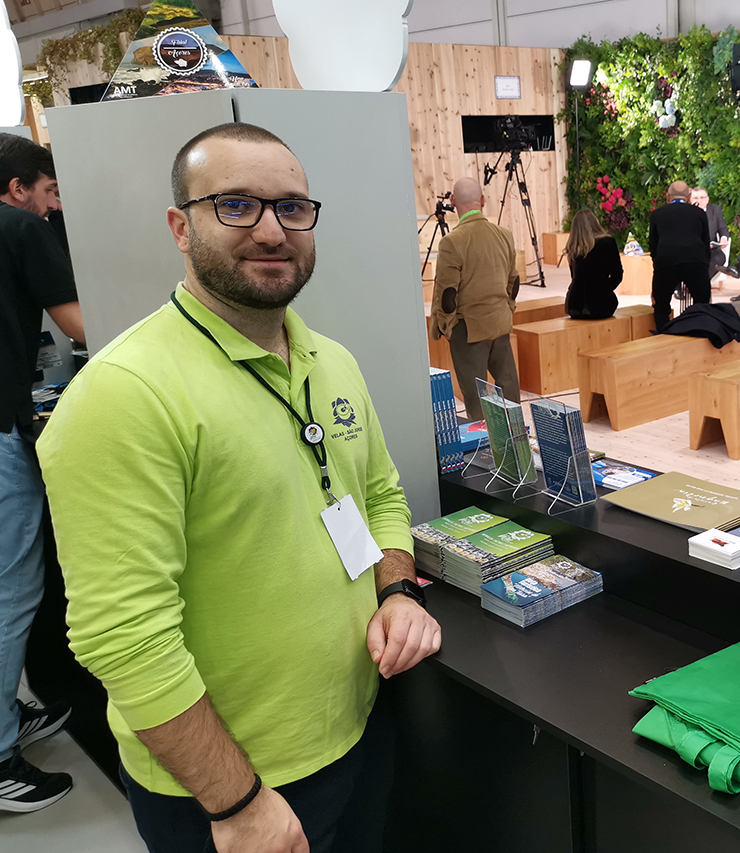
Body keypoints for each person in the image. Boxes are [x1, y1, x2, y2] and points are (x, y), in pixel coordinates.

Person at [38, 122, 442, 852]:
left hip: (355, 729)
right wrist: (239, 802)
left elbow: (378, 496)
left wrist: (398, 590)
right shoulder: (123, 394)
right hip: (228, 790)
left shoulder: (331, 360)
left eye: (291, 207)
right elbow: (124, 635)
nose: (271, 230)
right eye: (235, 205)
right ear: (180, 227)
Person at [0, 133, 81, 814]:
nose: (54, 206)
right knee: (12, 589)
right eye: (50, 191)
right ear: (18, 187)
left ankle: (7, 711)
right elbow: (78, 323)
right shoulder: (21, 229)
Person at [430, 176, 521, 420]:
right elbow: (513, 282)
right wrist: (507, 309)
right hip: (500, 322)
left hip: (468, 330)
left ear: (452, 201)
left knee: (476, 399)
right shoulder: (504, 235)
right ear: (483, 200)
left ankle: (483, 442)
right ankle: (516, 435)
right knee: (509, 388)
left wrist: (446, 327)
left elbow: (447, 293)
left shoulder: (452, 241)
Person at [647, 180, 711, 329]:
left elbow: (653, 245)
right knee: (702, 304)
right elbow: (705, 243)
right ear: (688, 198)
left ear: (667, 197)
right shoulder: (699, 213)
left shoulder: (657, 214)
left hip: (666, 262)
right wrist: (704, 268)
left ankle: (664, 335)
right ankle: (699, 333)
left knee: (661, 306)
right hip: (696, 261)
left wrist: (658, 266)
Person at [563, 209, 622, 320]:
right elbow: (617, 275)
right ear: (595, 223)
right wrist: (605, 288)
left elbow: (574, 277)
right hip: (601, 305)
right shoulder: (608, 243)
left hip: (574, 306)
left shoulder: (574, 248)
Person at [690, 186, 730, 279]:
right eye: (695, 198)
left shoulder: (715, 210)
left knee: (720, 257)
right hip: (692, 249)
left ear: (707, 199)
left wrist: (723, 238)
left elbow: (722, 228)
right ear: (691, 200)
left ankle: (699, 281)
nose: (699, 201)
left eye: (702, 198)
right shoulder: (686, 212)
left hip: (710, 249)